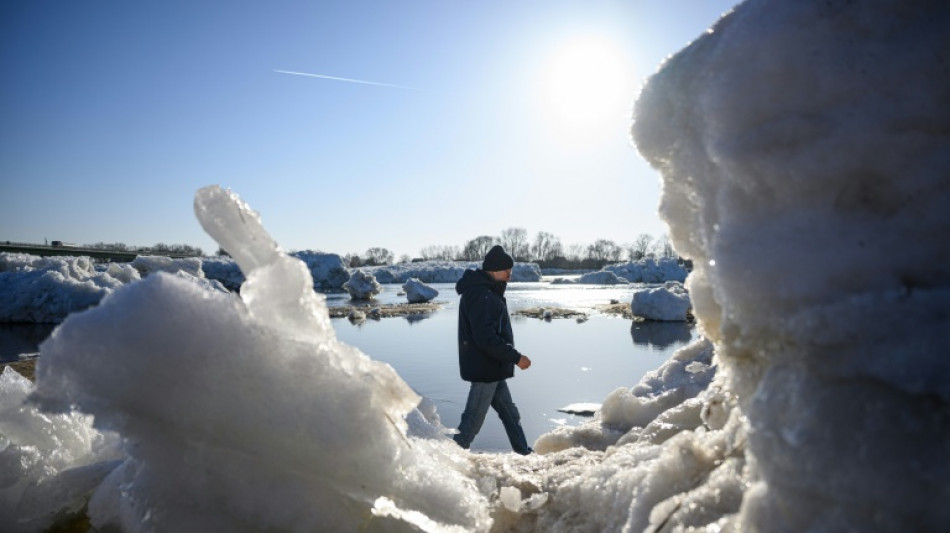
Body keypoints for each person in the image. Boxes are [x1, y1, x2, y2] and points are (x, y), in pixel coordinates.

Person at [453, 245, 533, 455]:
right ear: (495, 270)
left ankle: (525, 453)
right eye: (507, 270)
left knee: (510, 414)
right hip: (485, 370)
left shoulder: (487, 291)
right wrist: (516, 358)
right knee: (471, 423)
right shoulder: (482, 295)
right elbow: (486, 339)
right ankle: (449, 460)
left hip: (493, 368)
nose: (510, 274)